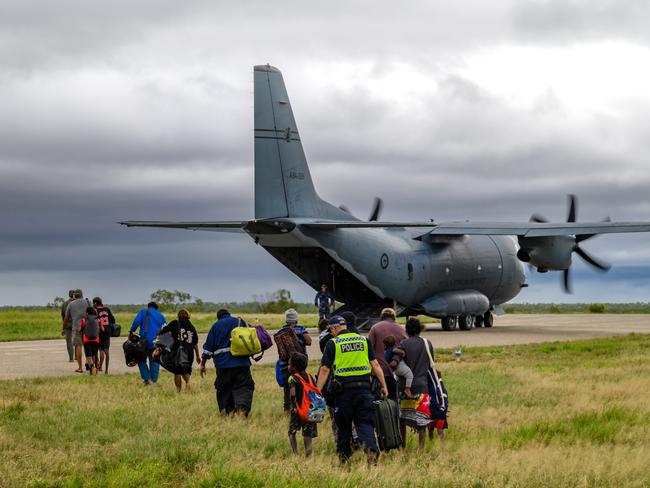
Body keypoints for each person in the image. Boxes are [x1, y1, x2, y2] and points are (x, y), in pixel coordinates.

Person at [316, 315, 388, 465]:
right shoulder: (363, 340)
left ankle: (344, 459)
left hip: (344, 393)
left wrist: (317, 391)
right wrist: (384, 385)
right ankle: (372, 451)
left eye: (331, 330)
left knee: (344, 427)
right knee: (365, 424)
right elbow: (375, 364)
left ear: (335, 328)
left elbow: (324, 370)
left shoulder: (333, 343)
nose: (331, 333)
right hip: (364, 391)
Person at [200, 309, 255, 416]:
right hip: (242, 363)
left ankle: (226, 411)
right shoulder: (240, 322)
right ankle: (242, 409)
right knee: (243, 387)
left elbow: (208, 349)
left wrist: (203, 363)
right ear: (229, 315)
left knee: (224, 389)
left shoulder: (215, 326)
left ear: (218, 317)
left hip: (223, 366)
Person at [394, 318, 435, 450]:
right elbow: (431, 363)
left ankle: (403, 447)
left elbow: (396, 361)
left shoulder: (403, 344)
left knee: (402, 420)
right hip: (423, 386)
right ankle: (421, 448)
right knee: (421, 421)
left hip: (404, 387)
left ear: (407, 330)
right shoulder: (427, 343)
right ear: (420, 328)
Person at [367, 308, 408, 400]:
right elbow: (406, 350)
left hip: (379, 371)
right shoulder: (401, 329)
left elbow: (368, 348)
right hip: (396, 371)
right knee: (394, 400)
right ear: (394, 317)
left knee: (378, 402)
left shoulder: (375, 328)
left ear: (382, 317)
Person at [276, 308, 312, 414]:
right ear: (296, 319)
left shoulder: (280, 331)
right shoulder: (300, 329)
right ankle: (301, 408)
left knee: (287, 388)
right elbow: (309, 341)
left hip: (285, 365)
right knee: (301, 386)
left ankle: (287, 411)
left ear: (286, 320)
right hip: (299, 365)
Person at [158, 309, 200, 392]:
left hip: (177, 352)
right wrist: (198, 356)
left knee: (177, 371)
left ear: (178, 316)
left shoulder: (174, 323)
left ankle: (178, 391)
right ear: (188, 315)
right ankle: (188, 386)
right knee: (186, 370)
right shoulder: (191, 327)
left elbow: (162, 333)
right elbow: (195, 343)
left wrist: (169, 336)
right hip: (189, 353)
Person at [287, 352, 317, 457]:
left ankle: (295, 453)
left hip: (297, 410)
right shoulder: (310, 377)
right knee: (307, 434)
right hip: (310, 411)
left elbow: (292, 393)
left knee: (292, 432)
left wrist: (292, 404)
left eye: (289, 364)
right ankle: (308, 452)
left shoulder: (292, 378)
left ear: (294, 367)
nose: (288, 366)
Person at [129, 301, 166, 385]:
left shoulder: (143, 311)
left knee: (141, 360)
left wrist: (132, 331)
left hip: (144, 341)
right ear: (156, 308)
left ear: (148, 306)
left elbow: (136, 322)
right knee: (155, 360)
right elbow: (165, 329)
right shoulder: (160, 315)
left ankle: (146, 379)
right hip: (156, 342)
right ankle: (153, 381)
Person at [63, 289, 91, 373]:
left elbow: (66, 317)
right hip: (87, 327)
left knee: (78, 346)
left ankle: (80, 368)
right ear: (82, 295)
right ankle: (89, 363)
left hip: (76, 327)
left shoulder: (71, 304)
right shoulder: (88, 302)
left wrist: (63, 328)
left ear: (74, 295)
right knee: (87, 346)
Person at [93, 297, 115, 374]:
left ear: (95, 303)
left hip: (98, 332)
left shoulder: (95, 310)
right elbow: (113, 320)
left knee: (99, 350)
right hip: (107, 332)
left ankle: (98, 367)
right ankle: (106, 370)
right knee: (106, 351)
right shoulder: (107, 309)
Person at [79, 306, 100, 376]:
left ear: (87, 313)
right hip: (96, 340)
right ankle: (94, 367)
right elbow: (101, 328)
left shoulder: (84, 320)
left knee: (88, 356)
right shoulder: (97, 319)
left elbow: (80, 328)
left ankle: (92, 367)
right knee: (94, 354)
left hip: (87, 340)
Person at [60, 289, 75, 362]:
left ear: (69, 295)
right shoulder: (77, 303)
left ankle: (71, 358)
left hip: (68, 325)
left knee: (69, 342)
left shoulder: (65, 304)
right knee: (77, 342)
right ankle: (77, 357)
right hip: (77, 325)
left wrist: (63, 327)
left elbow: (63, 316)